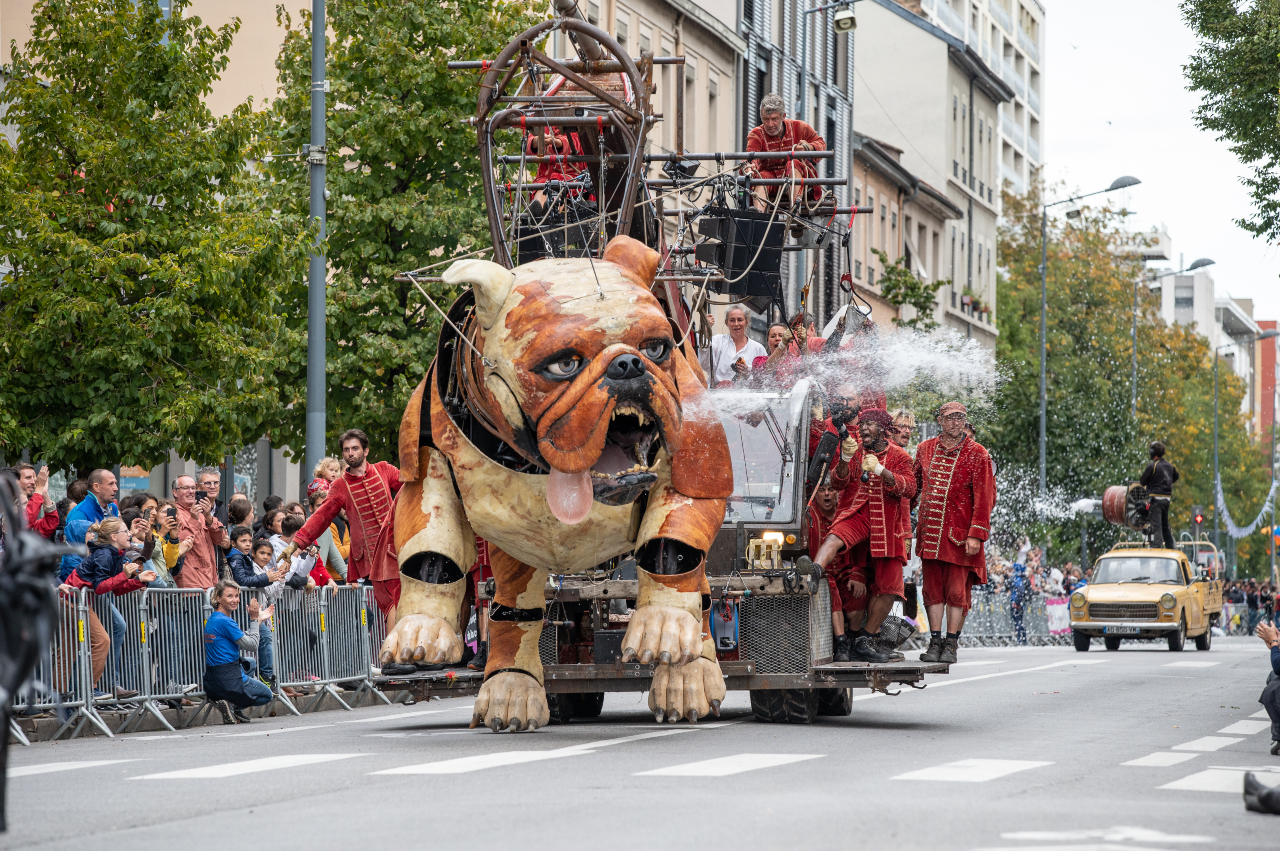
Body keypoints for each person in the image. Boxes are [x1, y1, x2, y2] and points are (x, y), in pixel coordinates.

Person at [813, 408, 916, 663]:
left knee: (891, 589)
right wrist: (846, 458)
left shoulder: (900, 455)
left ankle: (863, 640)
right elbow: (837, 483)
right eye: (862, 424)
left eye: (868, 424)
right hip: (858, 512)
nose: (862, 428)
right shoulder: (856, 448)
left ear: (882, 429)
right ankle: (812, 572)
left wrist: (882, 471)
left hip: (888, 526)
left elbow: (910, 488)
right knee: (835, 535)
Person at [283, 429, 402, 619]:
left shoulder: (384, 469)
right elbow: (320, 517)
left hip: (399, 550)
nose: (350, 453)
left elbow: (410, 488)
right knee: (392, 608)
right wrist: (296, 543)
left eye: (355, 448)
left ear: (366, 451)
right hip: (371, 560)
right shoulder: (340, 485)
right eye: (346, 450)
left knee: (403, 605)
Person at [913, 402, 996, 664]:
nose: (955, 423)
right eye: (950, 418)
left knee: (957, 593)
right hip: (930, 535)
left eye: (960, 418)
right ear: (940, 420)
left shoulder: (978, 454)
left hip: (959, 536)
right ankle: (934, 641)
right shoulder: (924, 449)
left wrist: (976, 534)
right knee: (932, 591)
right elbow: (913, 489)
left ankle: (951, 643)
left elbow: (984, 499)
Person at [67, 517, 158, 699]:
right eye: (126, 531)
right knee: (102, 640)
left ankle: (104, 685)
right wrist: (125, 575)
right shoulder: (105, 554)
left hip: (85, 601)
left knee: (115, 629)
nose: (130, 534)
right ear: (114, 537)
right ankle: (89, 688)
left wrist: (138, 580)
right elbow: (101, 587)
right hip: (73, 600)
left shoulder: (117, 554)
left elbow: (115, 589)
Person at [203, 579, 275, 724]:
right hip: (229, 679)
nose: (235, 600)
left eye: (236, 596)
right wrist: (254, 620)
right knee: (268, 695)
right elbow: (253, 645)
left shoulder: (214, 618)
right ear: (218, 598)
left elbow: (242, 638)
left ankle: (232, 705)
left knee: (251, 662)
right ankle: (234, 705)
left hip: (212, 679)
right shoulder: (225, 621)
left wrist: (258, 620)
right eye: (230, 596)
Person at [808, 476, 864, 662]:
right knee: (832, 596)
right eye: (822, 489)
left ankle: (854, 642)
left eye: (830, 489)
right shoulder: (808, 515)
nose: (826, 494)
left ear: (838, 493)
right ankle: (841, 643)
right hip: (823, 574)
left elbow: (860, 545)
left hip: (846, 572)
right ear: (815, 494)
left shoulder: (846, 514)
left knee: (857, 599)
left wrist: (857, 574)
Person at [743, 93, 826, 211]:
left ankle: (794, 212)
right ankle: (757, 220)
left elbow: (821, 144)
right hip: (771, 178)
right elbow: (751, 155)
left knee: (793, 164)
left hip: (798, 176)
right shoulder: (756, 134)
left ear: (783, 116)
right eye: (766, 119)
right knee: (761, 180)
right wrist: (749, 166)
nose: (769, 124)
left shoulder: (800, 127)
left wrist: (809, 148)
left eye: (774, 119)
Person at [59, 468, 120, 581]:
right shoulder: (79, 512)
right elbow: (74, 554)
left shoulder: (113, 508)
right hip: (87, 582)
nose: (116, 488)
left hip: (108, 576)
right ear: (96, 487)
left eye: (115, 483)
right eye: (111, 484)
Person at [169, 474, 226, 590]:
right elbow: (178, 542)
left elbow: (220, 539)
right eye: (185, 488)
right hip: (190, 585)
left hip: (210, 582)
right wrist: (194, 519)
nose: (191, 492)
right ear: (174, 492)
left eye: (193, 488)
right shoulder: (171, 512)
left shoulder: (201, 513)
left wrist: (208, 517)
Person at [701, 306, 767, 388]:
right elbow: (706, 366)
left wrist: (748, 371)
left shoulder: (758, 348)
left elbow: (764, 378)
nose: (736, 324)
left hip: (747, 398)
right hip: (717, 395)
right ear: (726, 323)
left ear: (747, 322)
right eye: (732, 320)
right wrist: (706, 334)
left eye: (740, 320)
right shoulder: (718, 341)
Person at [1139, 441, 1179, 549]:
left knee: (1156, 527)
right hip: (1166, 500)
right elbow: (1176, 476)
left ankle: (1157, 551)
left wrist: (1153, 483)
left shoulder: (1153, 466)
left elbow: (1142, 482)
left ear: (1152, 453)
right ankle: (1171, 549)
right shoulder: (1169, 466)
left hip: (1155, 500)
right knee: (1165, 526)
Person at [308, 489, 348, 582]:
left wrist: (347, 577)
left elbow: (336, 557)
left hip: (319, 583)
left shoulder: (327, 529)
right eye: (319, 505)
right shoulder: (303, 526)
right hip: (305, 585)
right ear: (310, 508)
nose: (323, 508)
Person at [16, 463, 59, 539]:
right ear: (16, 481)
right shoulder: (6, 504)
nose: (33, 482)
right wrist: (39, 488)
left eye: (34, 478)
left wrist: (44, 493)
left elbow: (49, 526)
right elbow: (24, 522)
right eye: (28, 477)